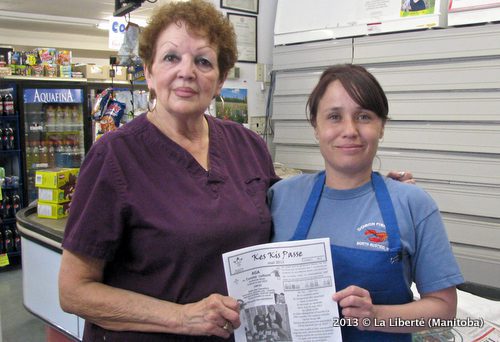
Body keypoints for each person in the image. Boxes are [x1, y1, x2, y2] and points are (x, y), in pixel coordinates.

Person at [58, 1, 279, 341]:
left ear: (219, 80)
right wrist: (182, 318)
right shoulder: (114, 156)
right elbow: (73, 291)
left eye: (203, 61)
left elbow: (287, 210)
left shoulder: (248, 145)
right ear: (149, 72)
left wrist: (371, 184)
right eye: (171, 57)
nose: (187, 71)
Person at [268, 64, 464, 341]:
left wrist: (376, 316)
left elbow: (443, 310)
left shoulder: (412, 203)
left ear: (381, 126)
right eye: (334, 116)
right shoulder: (280, 196)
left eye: (363, 116)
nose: (349, 130)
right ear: (316, 127)